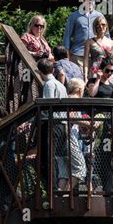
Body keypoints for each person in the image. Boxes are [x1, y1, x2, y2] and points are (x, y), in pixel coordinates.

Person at [38, 58, 68, 189]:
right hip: (62, 123)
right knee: (57, 156)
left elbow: (48, 105)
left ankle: (52, 188)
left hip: (53, 124)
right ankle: (55, 187)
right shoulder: (61, 85)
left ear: (40, 72)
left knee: (49, 156)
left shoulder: (48, 85)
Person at [87, 57, 113, 192]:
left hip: (107, 122)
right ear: (101, 70)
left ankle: (108, 187)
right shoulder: (93, 81)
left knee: (106, 153)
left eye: (112, 71)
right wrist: (98, 79)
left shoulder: (111, 85)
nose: (110, 73)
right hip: (96, 119)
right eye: (107, 70)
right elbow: (92, 94)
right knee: (95, 149)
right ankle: (90, 185)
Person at [63, 0, 107, 69]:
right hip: (78, 55)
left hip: (96, 56)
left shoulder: (100, 16)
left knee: (94, 80)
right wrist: (66, 57)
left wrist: (107, 52)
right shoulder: (74, 16)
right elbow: (67, 37)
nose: (90, 1)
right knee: (79, 80)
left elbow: (106, 35)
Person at [61, 77, 88, 191]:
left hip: (61, 137)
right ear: (79, 90)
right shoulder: (74, 100)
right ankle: (66, 195)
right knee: (81, 169)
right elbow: (71, 118)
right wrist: (87, 123)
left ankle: (60, 196)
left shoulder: (66, 98)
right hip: (69, 137)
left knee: (65, 172)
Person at [83, 15, 113, 81]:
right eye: (98, 25)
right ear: (95, 27)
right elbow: (85, 60)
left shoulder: (111, 42)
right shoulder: (89, 42)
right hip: (95, 71)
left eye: (103, 24)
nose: (101, 27)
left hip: (108, 71)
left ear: (106, 26)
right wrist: (85, 75)